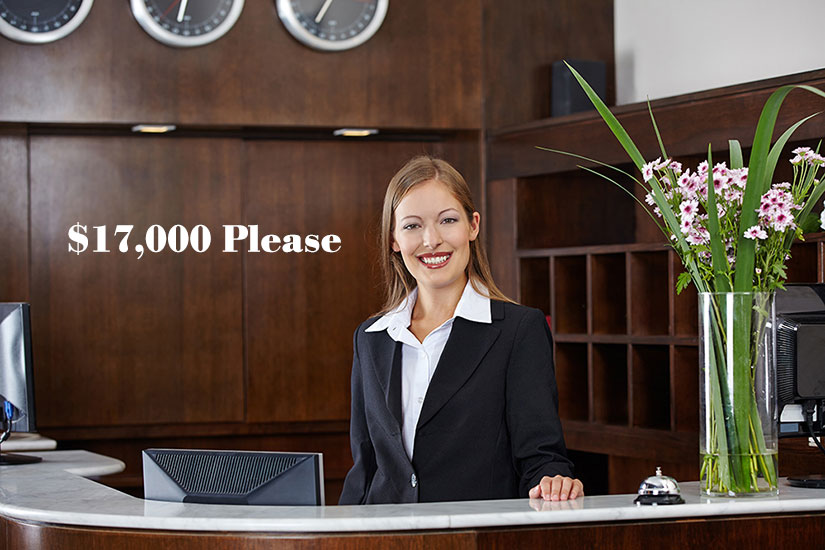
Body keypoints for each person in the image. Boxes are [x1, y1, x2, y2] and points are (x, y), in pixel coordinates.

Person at [339, 156, 583, 505]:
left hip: (474, 531)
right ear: (393, 238)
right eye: (412, 226)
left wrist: (553, 481)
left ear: (473, 226)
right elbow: (364, 470)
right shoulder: (371, 337)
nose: (431, 240)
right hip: (385, 531)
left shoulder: (518, 331)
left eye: (448, 220)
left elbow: (541, 456)